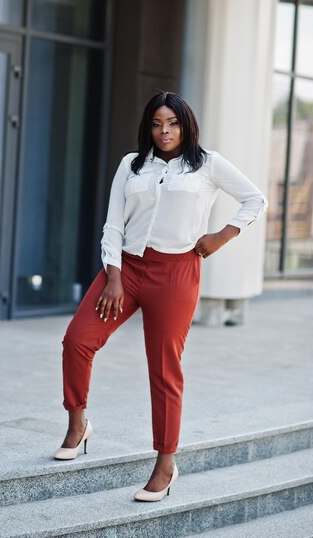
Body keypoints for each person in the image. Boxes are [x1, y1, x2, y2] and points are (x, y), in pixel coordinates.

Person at [53, 91, 269, 502]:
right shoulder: (131, 166)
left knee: (164, 369)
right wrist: (113, 276)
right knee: (78, 341)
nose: (164, 131)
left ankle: (165, 464)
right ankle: (78, 425)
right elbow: (113, 224)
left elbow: (255, 199)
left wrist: (222, 236)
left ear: (185, 125)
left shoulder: (207, 165)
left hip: (176, 274)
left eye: (172, 123)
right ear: (148, 127)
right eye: (157, 123)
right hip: (126, 271)